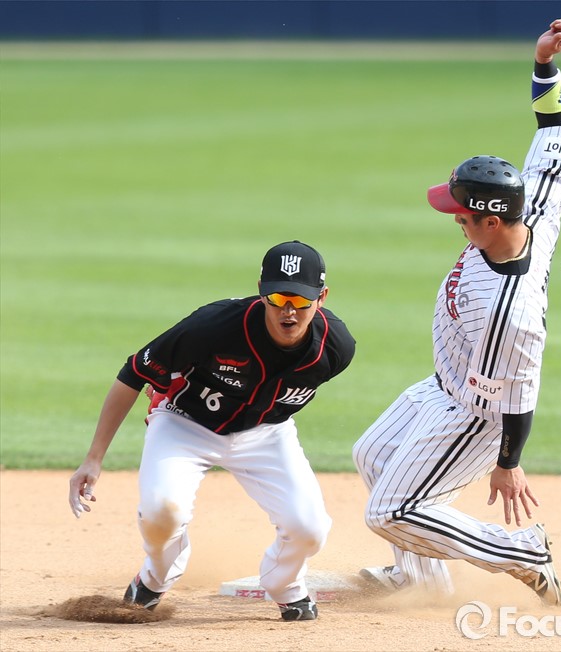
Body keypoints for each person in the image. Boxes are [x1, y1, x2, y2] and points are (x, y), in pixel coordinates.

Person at [352, 19, 561, 603]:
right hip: (446, 383)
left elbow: (519, 395)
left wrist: (508, 462)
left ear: (493, 219)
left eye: (462, 214)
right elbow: (554, 128)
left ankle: (521, 551)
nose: (455, 219)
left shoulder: (509, 311)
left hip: (479, 414)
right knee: (372, 454)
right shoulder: (534, 207)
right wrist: (544, 66)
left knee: (392, 511)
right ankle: (422, 581)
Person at [68, 240, 355, 622]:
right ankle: (153, 579)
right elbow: (134, 373)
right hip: (184, 425)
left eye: (301, 300)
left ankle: (286, 586)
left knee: (310, 528)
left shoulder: (335, 348)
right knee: (161, 512)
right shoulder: (213, 326)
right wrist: (94, 458)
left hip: (266, 434)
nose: (288, 310)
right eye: (278, 298)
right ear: (261, 291)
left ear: (322, 297)